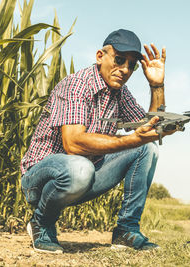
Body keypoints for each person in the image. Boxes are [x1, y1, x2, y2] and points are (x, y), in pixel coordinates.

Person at [20, 29, 173, 253]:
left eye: (131, 65)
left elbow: (150, 125)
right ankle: (41, 223)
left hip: (85, 174)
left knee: (146, 149)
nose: (125, 70)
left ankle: (126, 231)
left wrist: (156, 85)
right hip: (41, 179)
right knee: (80, 167)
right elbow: (74, 144)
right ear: (100, 56)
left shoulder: (119, 92)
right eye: (119, 60)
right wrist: (131, 139)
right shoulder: (76, 85)